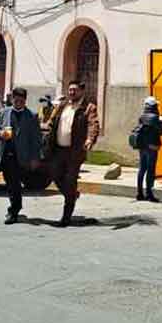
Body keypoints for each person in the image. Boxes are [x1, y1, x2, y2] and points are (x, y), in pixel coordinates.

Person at [45, 81, 100, 227]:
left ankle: (66, 217)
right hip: (58, 150)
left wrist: (90, 139)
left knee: (70, 181)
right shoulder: (62, 106)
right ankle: (72, 195)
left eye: (74, 90)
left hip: (74, 152)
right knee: (54, 175)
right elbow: (51, 121)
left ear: (81, 91)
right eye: (69, 90)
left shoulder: (88, 108)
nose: (71, 93)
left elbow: (93, 124)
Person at [0, 87, 44, 225]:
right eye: (16, 100)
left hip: (22, 156)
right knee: (10, 183)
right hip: (6, 154)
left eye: (21, 101)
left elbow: (36, 139)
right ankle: (15, 206)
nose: (18, 103)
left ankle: (13, 211)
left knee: (15, 183)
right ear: (12, 99)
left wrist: (35, 157)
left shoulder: (31, 116)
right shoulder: (4, 113)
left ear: (25, 101)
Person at [134, 97, 162, 202]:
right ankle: (149, 193)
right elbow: (160, 130)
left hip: (142, 146)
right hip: (152, 146)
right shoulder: (155, 117)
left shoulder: (142, 116)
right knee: (150, 169)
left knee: (142, 169)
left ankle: (139, 193)